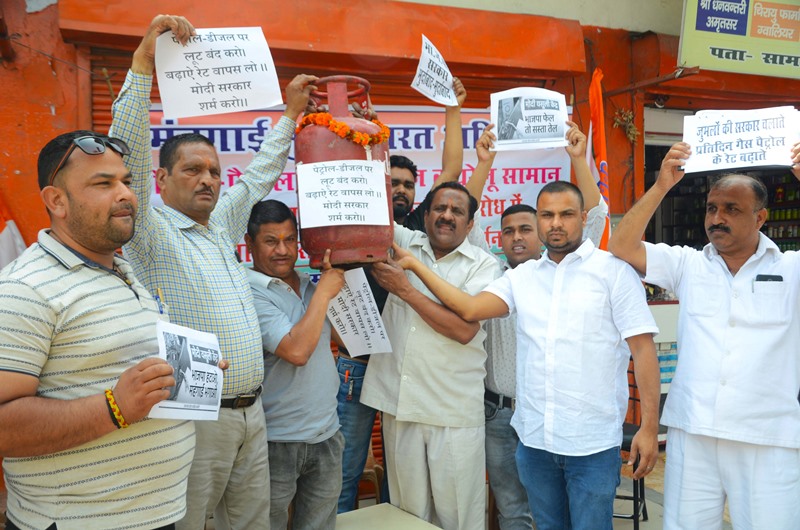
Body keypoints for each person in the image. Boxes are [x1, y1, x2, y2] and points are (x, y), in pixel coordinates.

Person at [108, 15, 316, 530]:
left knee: (250, 523)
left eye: (214, 173)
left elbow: (262, 170)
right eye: (192, 170)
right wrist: (142, 66)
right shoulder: (150, 231)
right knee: (191, 521)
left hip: (252, 413)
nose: (208, 180)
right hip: (195, 417)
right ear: (160, 179)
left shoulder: (222, 224)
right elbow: (126, 152)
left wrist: (290, 113)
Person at [392, 180, 661, 530]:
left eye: (566, 214)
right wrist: (415, 267)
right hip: (534, 443)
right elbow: (470, 308)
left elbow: (643, 351)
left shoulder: (613, 272)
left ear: (583, 216)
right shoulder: (522, 278)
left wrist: (650, 427)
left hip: (591, 445)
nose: (556, 223)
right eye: (547, 215)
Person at [0, 131, 193, 529]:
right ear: (56, 201)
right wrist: (115, 406)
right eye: (103, 184)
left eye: (126, 181)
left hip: (157, 515)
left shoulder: (123, 270)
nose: (126, 194)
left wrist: (192, 371)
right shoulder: (24, 289)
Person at [607, 141, 800, 529]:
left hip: (767, 436)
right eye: (712, 208)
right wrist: (662, 185)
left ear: (761, 217)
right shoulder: (688, 264)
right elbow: (621, 245)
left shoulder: (791, 268)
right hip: (692, 431)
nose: (717, 218)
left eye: (732, 209)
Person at [336, 79, 469, 513]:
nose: (401, 190)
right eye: (392, 181)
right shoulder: (353, 217)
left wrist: (453, 109)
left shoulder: (415, 230)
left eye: (409, 184)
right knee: (346, 471)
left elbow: (452, 175)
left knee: (404, 476)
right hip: (357, 365)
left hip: (407, 367)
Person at [468, 122, 608, 530]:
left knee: (565, 515)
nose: (516, 238)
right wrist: (484, 164)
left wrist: (578, 159)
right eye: (507, 231)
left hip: (557, 419)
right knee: (513, 510)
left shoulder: (577, 270)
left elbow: (596, 217)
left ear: (546, 230)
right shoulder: (492, 274)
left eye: (526, 229)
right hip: (499, 414)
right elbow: (468, 217)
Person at [360, 181, 499, 530]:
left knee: (458, 517)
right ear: (425, 214)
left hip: (452, 411)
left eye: (457, 211)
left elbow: (463, 329)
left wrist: (405, 290)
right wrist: (359, 138)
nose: (447, 216)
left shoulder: (483, 266)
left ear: (470, 224)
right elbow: (365, 206)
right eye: (440, 208)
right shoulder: (405, 243)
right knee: (408, 515)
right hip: (400, 405)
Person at [245, 200, 345, 529]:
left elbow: (352, 343)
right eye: (271, 241)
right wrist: (324, 295)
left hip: (327, 434)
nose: (283, 250)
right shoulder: (249, 293)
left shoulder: (311, 286)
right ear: (250, 244)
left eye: (290, 239)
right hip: (276, 442)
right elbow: (297, 351)